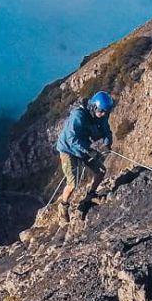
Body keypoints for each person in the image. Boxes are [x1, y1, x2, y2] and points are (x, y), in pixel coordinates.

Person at [55, 91, 115, 222]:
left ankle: (90, 195)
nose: (103, 114)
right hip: (68, 149)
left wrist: (107, 143)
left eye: (105, 111)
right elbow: (72, 139)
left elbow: (106, 130)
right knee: (72, 184)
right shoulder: (78, 115)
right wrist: (89, 151)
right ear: (94, 107)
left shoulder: (101, 114)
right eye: (101, 111)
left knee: (100, 171)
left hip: (84, 147)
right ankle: (63, 207)